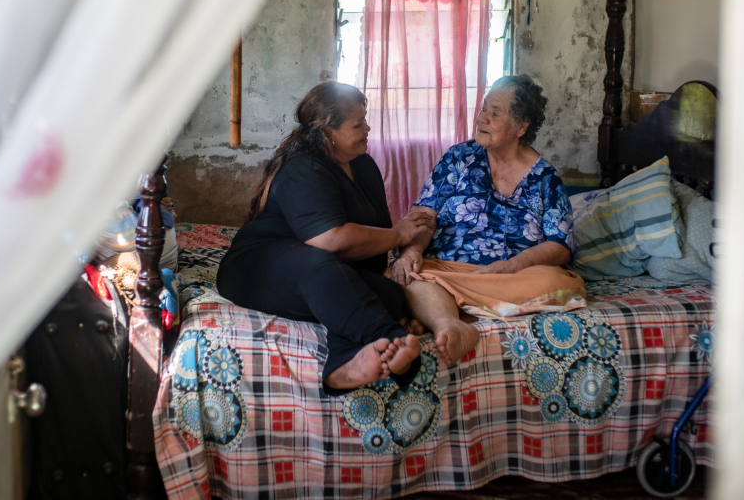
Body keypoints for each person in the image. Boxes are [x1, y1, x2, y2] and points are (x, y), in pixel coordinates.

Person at [217, 81, 434, 393]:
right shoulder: (303, 168)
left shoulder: (364, 165)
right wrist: (398, 235)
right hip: (256, 267)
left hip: (323, 270)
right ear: (328, 131)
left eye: (365, 119)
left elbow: (368, 241)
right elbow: (332, 240)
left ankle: (342, 364)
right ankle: (389, 338)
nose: (367, 128)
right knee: (320, 265)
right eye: (358, 124)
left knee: (387, 293)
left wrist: (395, 246)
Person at [389, 75, 576, 359]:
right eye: (483, 108)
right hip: (446, 266)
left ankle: (440, 309)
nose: (481, 118)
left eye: (495, 113)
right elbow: (424, 214)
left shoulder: (545, 178)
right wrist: (413, 250)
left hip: (510, 276)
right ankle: (450, 322)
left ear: (521, 126)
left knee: (558, 283)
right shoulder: (459, 157)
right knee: (412, 276)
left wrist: (510, 267)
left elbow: (561, 246)